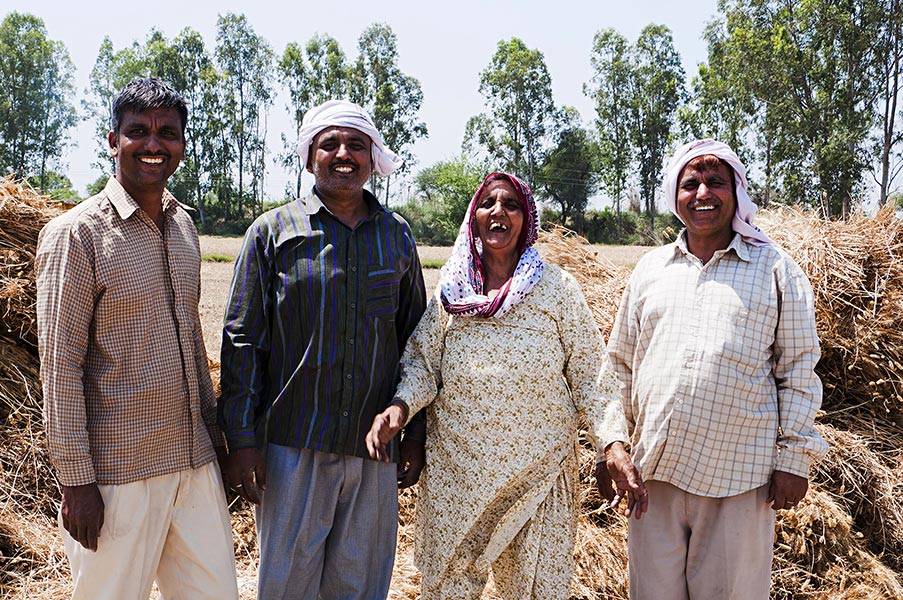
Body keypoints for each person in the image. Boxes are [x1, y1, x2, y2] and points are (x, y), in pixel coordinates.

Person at [366, 172, 646, 600]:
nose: (499, 211)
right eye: (488, 203)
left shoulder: (556, 290)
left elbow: (593, 375)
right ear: (473, 217)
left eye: (511, 204)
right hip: (459, 475)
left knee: (535, 591)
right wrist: (400, 408)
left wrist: (612, 445)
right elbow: (424, 364)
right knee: (448, 589)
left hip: (540, 474)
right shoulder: (453, 290)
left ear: (527, 218)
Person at [35, 78, 238, 599]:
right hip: (116, 474)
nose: (154, 144)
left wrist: (215, 436)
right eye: (138, 131)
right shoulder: (76, 234)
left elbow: (191, 339)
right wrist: (76, 481)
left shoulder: (183, 226)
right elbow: (60, 365)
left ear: (183, 144)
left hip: (191, 461)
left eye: (167, 133)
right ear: (113, 140)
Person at [218, 99, 427, 599]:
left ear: (373, 158)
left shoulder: (396, 236)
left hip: (373, 452)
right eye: (329, 143)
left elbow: (418, 343)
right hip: (292, 447)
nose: (343, 154)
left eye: (356, 144)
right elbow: (243, 340)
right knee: (287, 586)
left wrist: (415, 434)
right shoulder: (273, 233)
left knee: (360, 587)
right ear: (309, 156)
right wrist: (242, 441)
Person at [607, 139, 829, 600]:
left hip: (737, 479)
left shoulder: (774, 269)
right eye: (691, 183)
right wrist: (612, 445)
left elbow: (799, 370)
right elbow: (618, 366)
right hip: (654, 478)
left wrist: (794, 459)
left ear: (737, 193)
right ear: (675, 195)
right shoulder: (650, 270)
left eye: (716, 182)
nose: (703, 192)